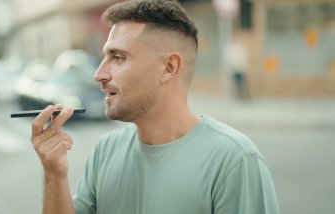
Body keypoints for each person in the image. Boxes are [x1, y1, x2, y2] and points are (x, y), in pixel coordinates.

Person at [30, 0, 280, 214]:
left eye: (118, 58)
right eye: (105, 57)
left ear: (169, 67)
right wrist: (54, 173)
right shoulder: (106, 150)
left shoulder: (234, 160)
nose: (99, 74)